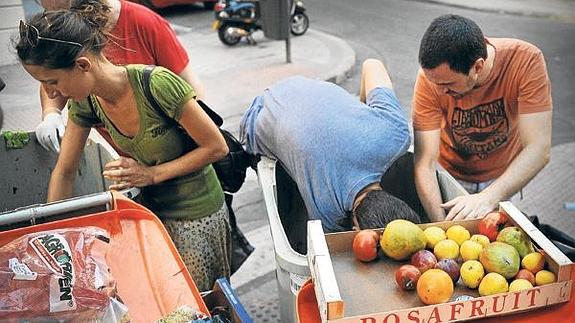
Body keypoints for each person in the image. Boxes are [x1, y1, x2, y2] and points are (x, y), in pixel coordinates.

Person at [15, 1, 229, 291]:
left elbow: (216, 147)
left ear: (82, 65)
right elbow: (64, 172)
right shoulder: (87, 101)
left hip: (196, 214)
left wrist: (151, 174)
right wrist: (55, 241)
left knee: (189, 302)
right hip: (149, 214)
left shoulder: (156, 84)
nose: (51, 93)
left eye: (52, 81)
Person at [240, 59, 421, 233]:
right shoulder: (326, 210)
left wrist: (361, 122)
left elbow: (372, 64)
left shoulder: (395, 134)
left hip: (300, 86)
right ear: (355, 229)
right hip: (257, 116)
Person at [413, 14, 552, 222]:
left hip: (503, 175)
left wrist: (488, 197)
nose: (440, 92)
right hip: (452, 174)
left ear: (477, 67)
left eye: (448, 85)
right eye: (436, 84)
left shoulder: (526, 60)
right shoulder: (432, 79)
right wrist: (441, 226)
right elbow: (424, 163)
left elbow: (539, 148)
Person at [35, 0, 205, 153]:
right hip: (125, 157)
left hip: (170, 152)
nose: (45, 9)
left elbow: (192, 89)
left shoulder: (144, 22)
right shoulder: (60, 29)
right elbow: (52, 75)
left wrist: (194, 142)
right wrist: (51, 113)